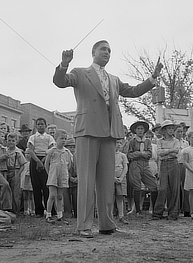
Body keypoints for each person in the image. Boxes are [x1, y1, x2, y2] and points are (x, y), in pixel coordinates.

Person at [53, 40, 163, 237]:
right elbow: (60, 82)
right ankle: (84, 226)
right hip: (87, 130)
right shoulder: (79, 72)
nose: (107, 53)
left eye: (110, 51)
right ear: (93, 52)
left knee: (106, 181)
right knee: (86, 181)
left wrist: (153, 77)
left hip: (110, 132)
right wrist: (64, 64)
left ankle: (107, 224)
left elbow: (135, 91)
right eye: (103, 49)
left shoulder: (114, 79)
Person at [127, 121, 158, 216]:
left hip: (145, 164)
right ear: (135, 131)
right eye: (138, 129)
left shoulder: (148, 141)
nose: (140, 131)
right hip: (135, 165)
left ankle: (154, 209)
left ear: (144, 130)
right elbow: (129, 155)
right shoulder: (132, 141)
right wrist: (140, 153)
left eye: (142, 129)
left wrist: (141, 154)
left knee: (153, 185)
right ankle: (137, 210)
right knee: (137, 186)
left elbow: (149, 154)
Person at [152, 120, 180, 220]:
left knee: (174, 188)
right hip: (164, 164)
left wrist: (166, 151)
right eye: (169, 128)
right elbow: (159, 152)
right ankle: (157, 212)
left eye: (172, 128)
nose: (171, 130)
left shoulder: (176, 141)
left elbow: (176, 152)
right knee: (162, 188)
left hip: (173, 163)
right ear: (164, 130)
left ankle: (173, 212)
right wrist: (170, 151)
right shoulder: (160, 141)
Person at [27, 117, 55, 218]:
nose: (40, 126)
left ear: (45, 126)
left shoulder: (49, 138)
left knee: (46, 186)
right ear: (36, 126)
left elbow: (51, 149)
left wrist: (43, 161)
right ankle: (38, 210)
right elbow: (30, 150)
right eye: (38, 124)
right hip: (35, 160)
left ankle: (50, 210)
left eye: (42, 124)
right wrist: (38, 161)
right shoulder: (33, 137)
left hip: (46, 159)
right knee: (36, 186)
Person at [44, 129, 72, 224]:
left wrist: (65, 172)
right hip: (53, 175)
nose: (63, 140)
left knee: (60, 196)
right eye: (61, 138)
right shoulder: (52, 151)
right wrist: (50, 174)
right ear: (56, 139)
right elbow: (46, 164)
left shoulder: (67, 152)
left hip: (62, 175)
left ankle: (60, 215)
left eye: (65, 139)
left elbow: (69, 164)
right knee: (52, 195)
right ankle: (48, 214)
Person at [6, 132, 27, 214]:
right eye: (9, 140)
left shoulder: (18, 152)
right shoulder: (5, 150)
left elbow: (23, 164)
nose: (11, 142)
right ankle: (7, 208)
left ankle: (15, 210)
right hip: (6, 171)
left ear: (16, 142)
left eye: (13, 141)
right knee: (7, 191)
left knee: (15, 192)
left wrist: (18, 174)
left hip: (15, 170)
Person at [174, 124, 190, 217]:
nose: (180, 133)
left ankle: (186, 209)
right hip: (175, 164)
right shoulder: (173, 142)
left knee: (185, 187)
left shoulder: (186, 143)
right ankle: (176, 208)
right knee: (176, 187)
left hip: (184, 165)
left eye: (181, 131)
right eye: (178, 131)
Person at [114, 139, 129, 224]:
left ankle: (121, 216)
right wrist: (113, 177)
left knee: (120, 197)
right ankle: (110, 215)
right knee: (110, 197)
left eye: (120, 143)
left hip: (121, 179)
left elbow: (125, 167)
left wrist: (122, 177)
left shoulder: (122, 155)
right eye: (117, 143)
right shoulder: (108, 155)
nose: (119, 145)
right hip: (111, 178)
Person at [65, 137, 78, 218]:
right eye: (70, 147)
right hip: (67, 179)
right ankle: (68, 213)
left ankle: (77, 213)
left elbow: (82, 167)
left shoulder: (78, 155)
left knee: (76, 197)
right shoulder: (65, 155)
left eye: (74, 147)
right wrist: (70, 177)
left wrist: (78, 177)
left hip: (77, 180)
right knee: (66, 197)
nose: (72, 149)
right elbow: (64, 168)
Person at [20, 148, 35, 216]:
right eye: (26, 153)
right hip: (24, 180)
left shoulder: (33, 162)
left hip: (31, 180)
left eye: (29, 153)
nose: (27, 155)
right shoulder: (23, 162)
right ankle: (26, 209)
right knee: (25, 196)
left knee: (31, 196)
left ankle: (33, 209)